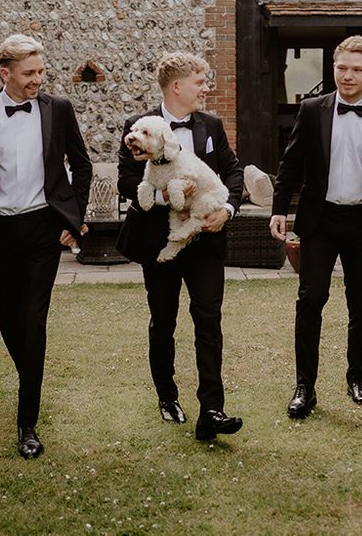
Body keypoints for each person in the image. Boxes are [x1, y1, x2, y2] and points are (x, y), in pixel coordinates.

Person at [270, 35, 362, 418]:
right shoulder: (312, 109)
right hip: (319, 221)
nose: (347, 76)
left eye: (356, 69)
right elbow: (289, 165)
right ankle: (305, 385)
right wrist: (277, 210)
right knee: (311, 299)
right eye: (341, 68)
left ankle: (357, 376)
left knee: (360, 302)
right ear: (333, 68)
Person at [0, 34, 92, 458]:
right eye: (29, 73)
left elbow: (82, 163)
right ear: (5, 74)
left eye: (41, 71)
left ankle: (27, 423)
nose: (38, 79)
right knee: (6, 315)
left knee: (34, 318)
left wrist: (73, 219)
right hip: (1, 231)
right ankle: (31, 377)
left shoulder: (58, 109)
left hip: (44, 228)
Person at [116, 52, 244, 441]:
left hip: (205, 238)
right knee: (164, 321)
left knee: (209, 320)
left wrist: (227, 207)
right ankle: (167, 396)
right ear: (177, 86)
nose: (206, 87)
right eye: (201, 81)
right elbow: (126, 182)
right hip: (159, 241)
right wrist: (163, 193)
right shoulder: (137, 128)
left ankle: (212, 409)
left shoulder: (211, 125)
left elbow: (233, 171)